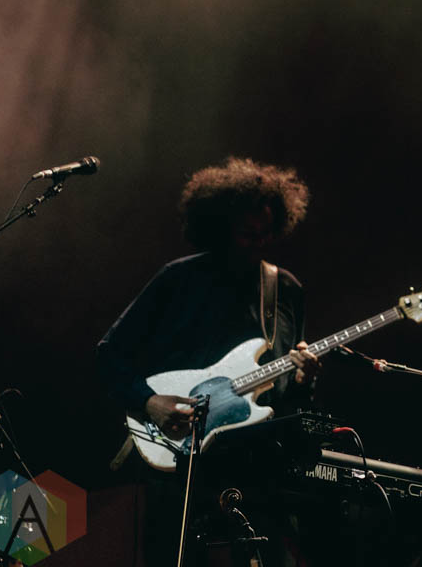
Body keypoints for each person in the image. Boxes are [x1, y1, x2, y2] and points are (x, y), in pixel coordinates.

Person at [97, 157, 319, 565]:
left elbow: (282, 398)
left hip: (255, 467)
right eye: (247, 234)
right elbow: (110, 354)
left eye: (266, 233)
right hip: (181, 466)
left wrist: (303, 380)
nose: (259, 243)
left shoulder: (285, 290)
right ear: (221, 229)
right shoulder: (178, 279)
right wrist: (149, 401)